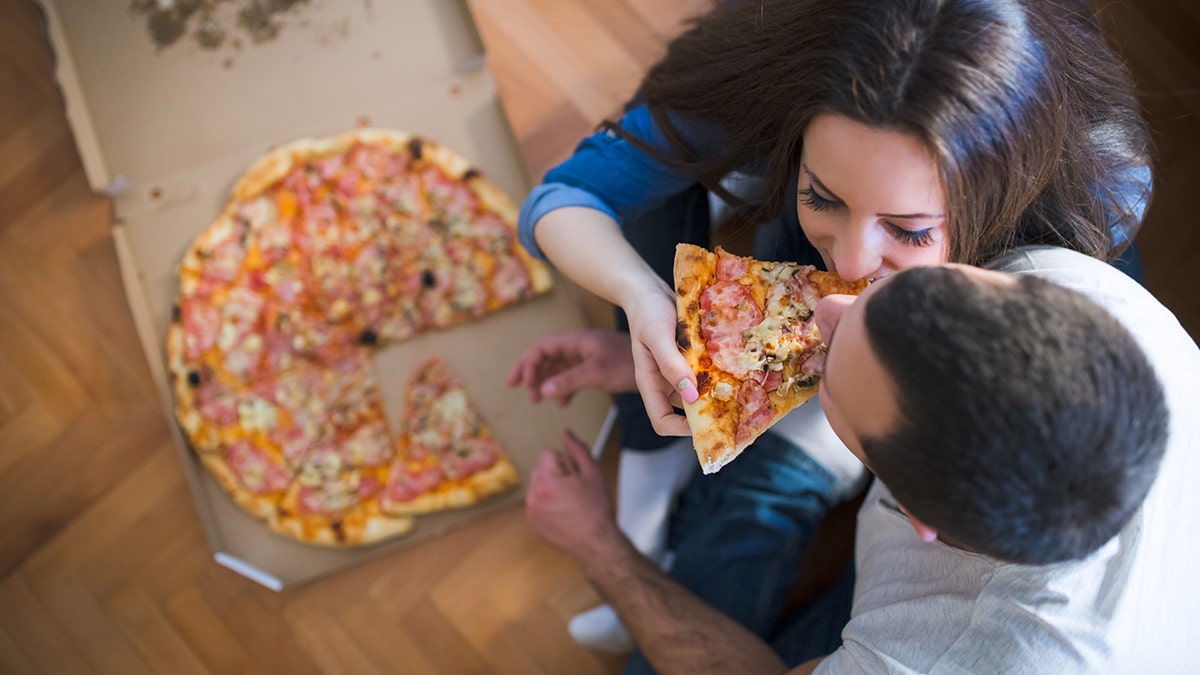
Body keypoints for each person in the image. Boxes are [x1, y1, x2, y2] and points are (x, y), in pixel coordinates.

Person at [515, 0, 1152, 654]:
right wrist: (660, 319)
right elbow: (566, 196)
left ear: (910, 510)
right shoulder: (786, 74)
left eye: (907, 228)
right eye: (821, 194)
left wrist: (606, 547)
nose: (845, 268)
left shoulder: (1080, 243)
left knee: (756, 504)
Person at [524, 249, 1200, 673]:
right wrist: (695, 360)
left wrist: (598, 544)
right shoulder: (1072, 282)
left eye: (831, 365)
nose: (829, 303)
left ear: (909, 512)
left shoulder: (942, 660)